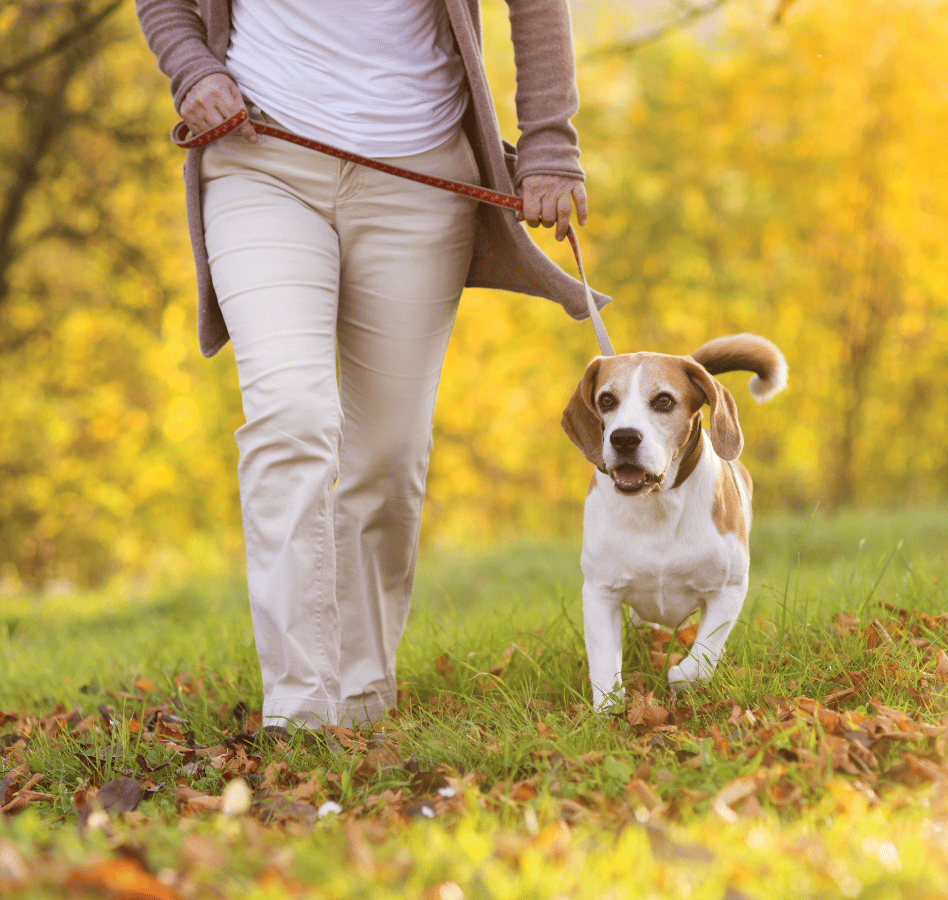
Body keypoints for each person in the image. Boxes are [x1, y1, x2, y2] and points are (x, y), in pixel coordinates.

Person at [135, 0, 605, 733]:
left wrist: (548, 144)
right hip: (262, 162)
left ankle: (360, 695)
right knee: (291, 416)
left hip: (417, 182)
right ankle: (299, 707)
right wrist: (191, 69)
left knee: (387, 455)